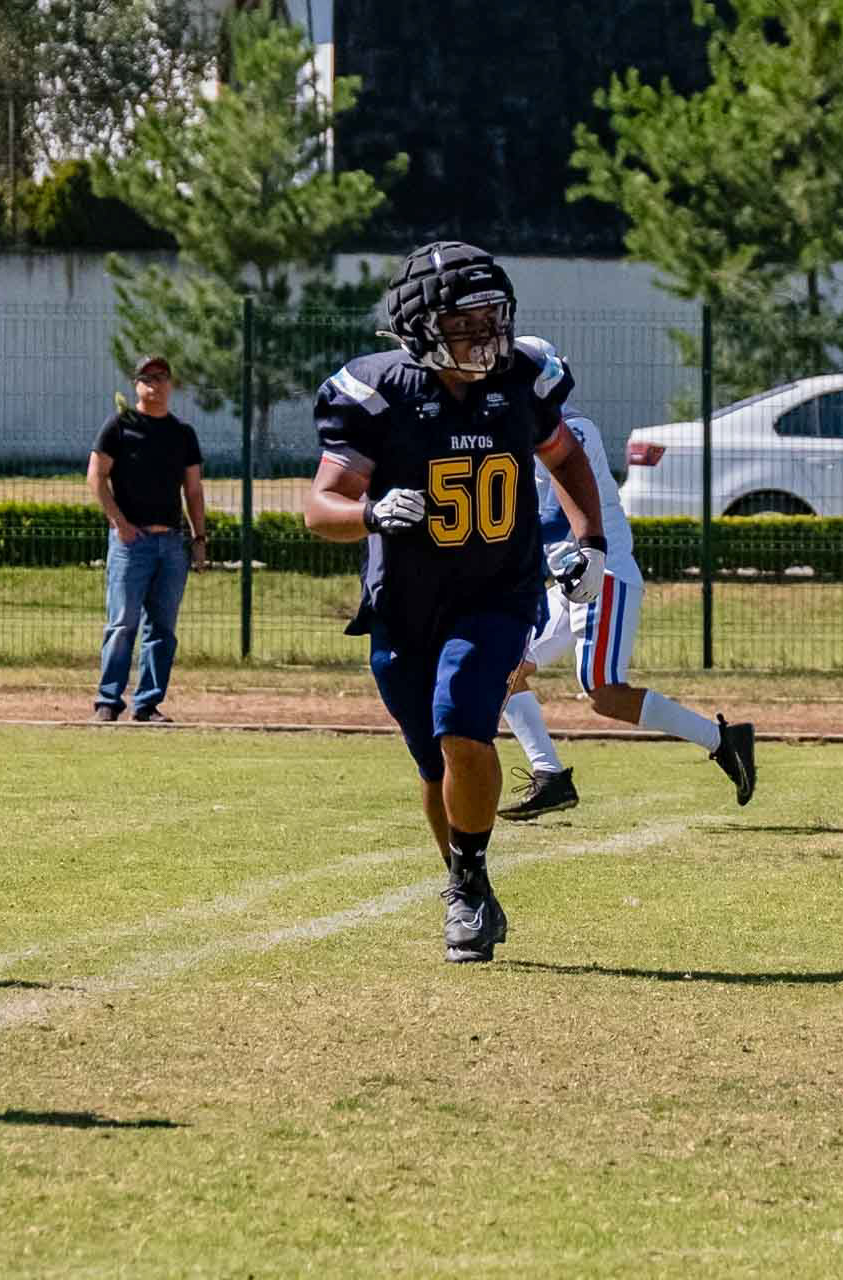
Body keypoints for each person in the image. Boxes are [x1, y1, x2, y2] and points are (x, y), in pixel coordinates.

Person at [306, 242, 609, 964]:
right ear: (420, 326)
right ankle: (468, 881)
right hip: (405, 605)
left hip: (497, 593)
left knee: (460, 725)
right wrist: (372, 513)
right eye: (465, 322)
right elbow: (320, 507)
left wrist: (591, 540)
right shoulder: (378, 392)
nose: (485, 335)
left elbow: (565, 457)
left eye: (491, 317)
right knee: (434, 762)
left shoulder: (522, 379)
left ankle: (466, 891)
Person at [499, 337, 756, 820]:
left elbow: (551, 518)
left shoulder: (569, 430)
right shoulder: (530, 431)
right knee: (502, 669)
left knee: (604, 692)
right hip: (570, 580)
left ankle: (723, 740)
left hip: (602, 572)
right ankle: (550, 776)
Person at [87, 354, 207, 723]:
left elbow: (193, 490)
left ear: (171, 385)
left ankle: (148, 704)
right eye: (147, 378)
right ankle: (108, 701)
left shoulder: (183, 434)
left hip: (171, 543)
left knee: (163, 628)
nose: (155, 385)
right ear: (136, 385)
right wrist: (119, 523)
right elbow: (95, 477)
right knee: (122, 623)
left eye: (162, 378)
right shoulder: (119, 427)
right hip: (130, 543)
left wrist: (199, 538)